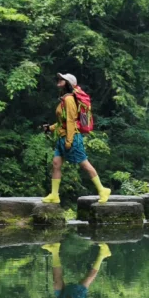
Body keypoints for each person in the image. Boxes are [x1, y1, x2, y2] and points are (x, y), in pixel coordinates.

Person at [44, 71, 112, 204]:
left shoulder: (69, 99)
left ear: (68, 83)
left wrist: (69, 141)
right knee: (56, 164)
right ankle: (54, 194)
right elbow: (62, 123)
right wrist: (50, 128)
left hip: (72, 137)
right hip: (62, 137)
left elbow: (70, 121)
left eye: (62, 79)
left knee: (84, 164)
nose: (59, 80)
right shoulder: (64, 99)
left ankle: (102, 190)